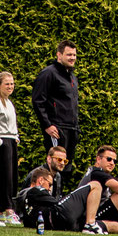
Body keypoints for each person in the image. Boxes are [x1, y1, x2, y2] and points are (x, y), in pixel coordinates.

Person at [31, 40, 82, 179]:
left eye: (74, 55)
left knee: (66, 167)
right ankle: (49, 195)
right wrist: (47, 125)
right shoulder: (48, 74)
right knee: (54, 166)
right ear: (59, 55)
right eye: (69, 54)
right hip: (56, 129)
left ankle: (59, 198)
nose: (72, 58)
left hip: (71, 128)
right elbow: (37, 101)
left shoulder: (72, 76)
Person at [18, 163, 108, 234]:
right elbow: (55, 203)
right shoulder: (35, 190)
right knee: (95, 184)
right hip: (60, 215)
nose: (49, 189)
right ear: (41, 180)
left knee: (105, 224)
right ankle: (90, 224)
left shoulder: (23, 198)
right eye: (49, 184)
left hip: (60, 225)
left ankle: (91, 224)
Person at [0, 72, 23, 225]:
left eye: (12, 84)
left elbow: (12, 125)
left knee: (12, 176)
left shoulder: (9, 102)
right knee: (4, 177)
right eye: (7, 84)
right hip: (0, 142)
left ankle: (2, 210)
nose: (10, 87)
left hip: (10, 141)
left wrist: (15, 138)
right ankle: (7, 209)